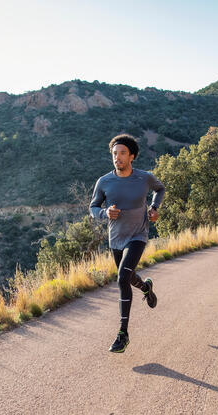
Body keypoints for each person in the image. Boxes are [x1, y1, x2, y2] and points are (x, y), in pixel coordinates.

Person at [89, 134, 165, 353]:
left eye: (122, 153)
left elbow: (160, 189)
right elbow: (93, 208)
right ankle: (146, 288)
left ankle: (123, 333)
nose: (117, 158)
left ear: (132, 156)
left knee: (122, 278)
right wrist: (105, 212)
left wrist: (154, 208)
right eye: (115, 154)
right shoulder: (104, 182)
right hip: (116, 238)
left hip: (138, 235)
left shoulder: (144, 178)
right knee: (129, 277)